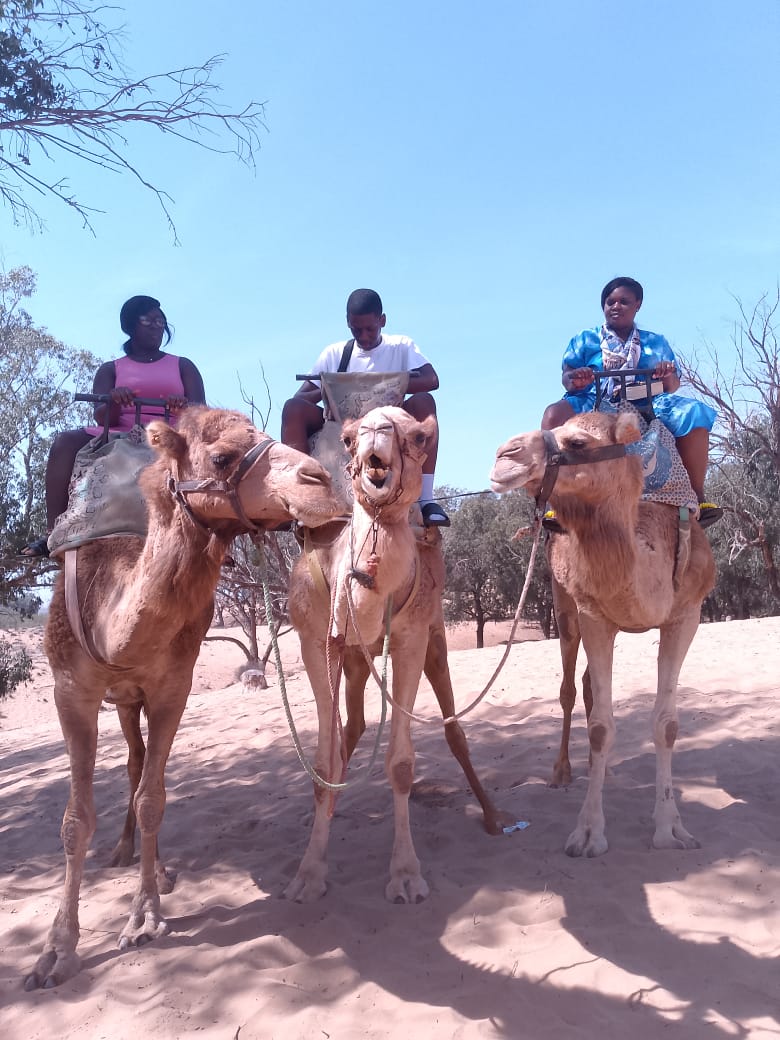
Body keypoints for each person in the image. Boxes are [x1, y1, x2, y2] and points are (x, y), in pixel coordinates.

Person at [20, 294, 206, 557]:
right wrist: (115, 401)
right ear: (130, 325)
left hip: (169, 434)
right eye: (148, 321)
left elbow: (201, 412)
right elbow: (101, 416)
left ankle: (212, 534)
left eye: (160, 321)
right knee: (64, 442)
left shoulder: (183, 365)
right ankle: (52, 531)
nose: (156, 327)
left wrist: (182, 407)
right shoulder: (111, 369)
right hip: (120, 431)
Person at [541, 276, 721, 528]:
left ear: (638, 305)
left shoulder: (655, 342)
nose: (616, 306)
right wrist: (577, 379)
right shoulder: (584, 340)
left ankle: (698, 497)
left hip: (647, 400)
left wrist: (665, 373)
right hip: (594, 399)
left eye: (624, 301)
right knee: (553, 415)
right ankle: (555, 501)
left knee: (695, 413)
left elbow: (672, 386)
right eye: (610, 302)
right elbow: (567, 378)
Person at [281, 288, 450, 526]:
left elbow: (432, 379)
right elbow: (301, 397)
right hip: (342, 427)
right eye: (356, 329)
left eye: (370, 329)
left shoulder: (400, 346)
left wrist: (385, 384)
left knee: (425, 402)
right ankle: (300, 497)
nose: (364, 336)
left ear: (382, 320)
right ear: (348, 323)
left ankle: (427, 500)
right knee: (292, 409)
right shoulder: (335, 353)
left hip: (389, 427)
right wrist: (332, 387)